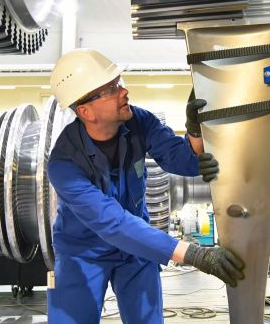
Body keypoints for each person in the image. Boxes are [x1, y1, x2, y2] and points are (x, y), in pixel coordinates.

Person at [47, 48, 244, 324]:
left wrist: (196, 132)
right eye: (111, 88)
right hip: (82, 253)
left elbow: (178, 157)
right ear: (86, 110)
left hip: (136, 246)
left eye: (120, 82)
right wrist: (194, 254)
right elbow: (112, 223)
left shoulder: (139, 121)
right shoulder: (63, 164)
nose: (124, 91)